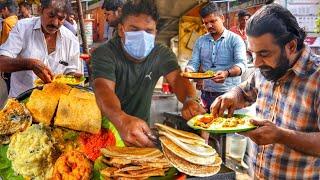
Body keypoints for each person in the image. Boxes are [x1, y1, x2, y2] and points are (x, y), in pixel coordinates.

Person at [210, 4, 320, 179]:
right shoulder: (265, 68)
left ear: (291, 46)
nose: (257, 63)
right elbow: (245, 91)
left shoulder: (316, 77)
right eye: (253, 53)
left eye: (264, 53)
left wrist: (281, 136)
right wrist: (231, 96)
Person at [92, 0, 206, 148]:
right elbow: (103, 89)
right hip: (106, 134)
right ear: (121, 30)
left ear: (155, 32)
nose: (142, 36)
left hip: (142, 134)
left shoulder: (161, 54)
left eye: (148, 31)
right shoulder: (105, 53)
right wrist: (121, 120)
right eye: (134, 30)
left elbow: (178, 79)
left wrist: (190, 100)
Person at [0, 0, 82, 97]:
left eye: (61, 18)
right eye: (51, 15)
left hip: (53, 102)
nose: (55, 23)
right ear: (40, 10)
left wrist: (74, 76)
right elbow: (2, 63)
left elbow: (71, 71)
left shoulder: (71, 39)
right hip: (21, 102)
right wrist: (30, 64)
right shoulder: (22, 28)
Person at [186, 2, 246, 112]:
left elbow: (241, 65)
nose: (209, 26)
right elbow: (193, 63)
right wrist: (189, 70)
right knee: (207, 127)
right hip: (206, 96)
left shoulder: (235, 40)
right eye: (206, 23)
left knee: (228, 127)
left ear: (222, 18)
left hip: (230, 96)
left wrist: (226, 73)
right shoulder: (200, 41)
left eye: (213, 21)